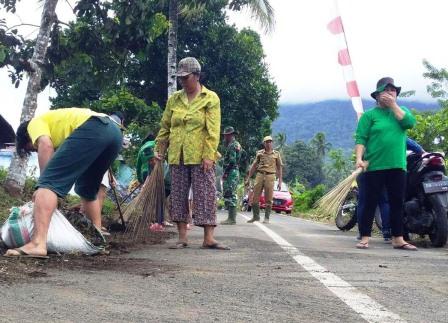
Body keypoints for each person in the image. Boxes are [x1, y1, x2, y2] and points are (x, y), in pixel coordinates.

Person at [5, 108, 123, 257]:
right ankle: (97, 241)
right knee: (87, 188)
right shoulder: (58, 128)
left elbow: (45, 145)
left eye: (32, 148)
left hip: (93, 127)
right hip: (114, 133)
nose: (35, 149)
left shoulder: (33, 124)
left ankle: (37, 244)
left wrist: (44, 182)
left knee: (48, 183)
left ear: (26, 136)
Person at [154, 57, 229, 250]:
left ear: (196, 76)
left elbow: (213, 129)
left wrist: (209, 155)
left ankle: (208, 238)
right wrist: (158, 150)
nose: (182, 81)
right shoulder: (175, 99)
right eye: (180, 78)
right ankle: (182, 237)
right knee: (178, 194)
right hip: (177, 154)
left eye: (186, 77)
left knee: (205, 194)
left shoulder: (210, 98)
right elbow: (165, 127)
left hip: (201, 154)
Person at [355, 77, 417, 250]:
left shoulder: (401, 111)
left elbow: (409, 123)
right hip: (374, 165)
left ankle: (398, 238)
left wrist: (393, 105)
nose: (391, 93)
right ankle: (365, 237)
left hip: (397, 165)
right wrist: (359, 159)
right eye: (386, 90)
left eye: (393, 90)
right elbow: (361, 138)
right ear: (377, 96)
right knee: (370, 201)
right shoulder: (369, 116)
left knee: (397, 202)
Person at [356, 138, 425, 242]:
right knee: (384, 201)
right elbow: (416, 147)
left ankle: (363, 233)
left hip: (368, 170)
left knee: (364, 202)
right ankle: (387, 233)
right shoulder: (396, 134)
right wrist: (424, 153)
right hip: (387, 169)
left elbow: (360, 149)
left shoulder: (370, 134)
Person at [245, 136, 283, 224]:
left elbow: (280, 168)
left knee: (269, 198)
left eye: (270, 142)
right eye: (267, 142)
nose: (268, 143)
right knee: (255, 197)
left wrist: (280, 182)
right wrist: (248, 177)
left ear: (272, 143)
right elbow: (254, 165)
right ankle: (256, 216)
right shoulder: (259, 153)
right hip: (260, 175)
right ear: (264, 143)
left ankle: (266, 218)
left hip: (270, 176)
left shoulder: (276, 154)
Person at [220, 126, 242, 225]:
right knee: (231, 193)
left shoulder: (232, 145)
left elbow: (232, 161)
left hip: (231, 172)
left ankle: (231, 219)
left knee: (230, 194)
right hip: (235, 171)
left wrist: (225, 173)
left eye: (226, 135)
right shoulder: (237, 144)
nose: (225, 137)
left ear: (230, 135)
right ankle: (231, 217)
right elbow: (242, 157)